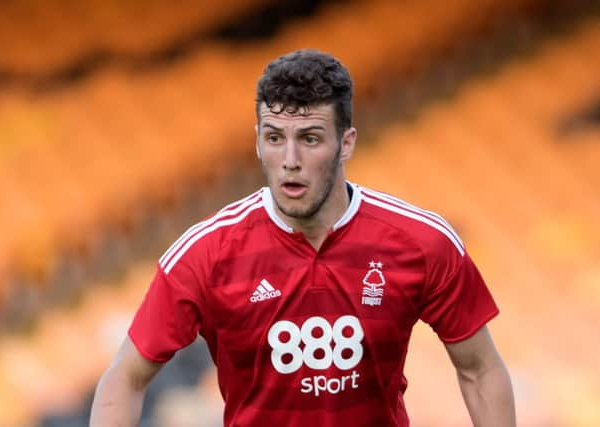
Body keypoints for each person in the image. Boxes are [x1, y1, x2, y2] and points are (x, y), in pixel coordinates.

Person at [90, 49, 516, 427]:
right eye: (275, 138)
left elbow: (480, 370)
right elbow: (124, 379)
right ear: (258, 142)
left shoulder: (422, 242)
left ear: (346, 143)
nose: (289, 161)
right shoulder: (205, 253)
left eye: (309, 139)